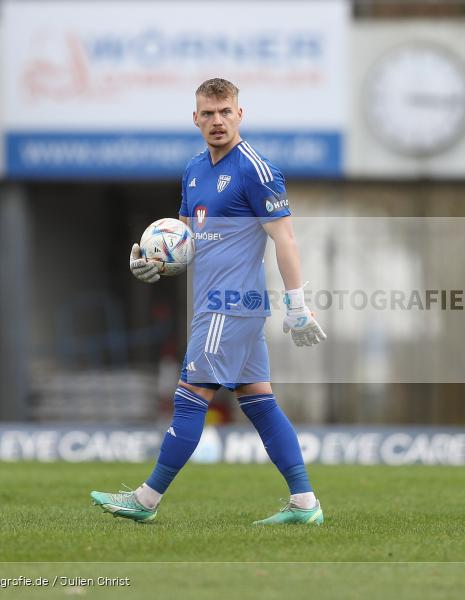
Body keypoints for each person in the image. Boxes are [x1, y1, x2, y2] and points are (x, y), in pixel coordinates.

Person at [91, 78, 327, 525]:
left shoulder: (256, 169)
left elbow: (285, 238)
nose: (217, 121)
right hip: (217, 306)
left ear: (240, 114)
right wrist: (151, 263)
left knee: (190, 396)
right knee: (259, 402)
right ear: (195, 118)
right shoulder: (194, 170)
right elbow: (185, 243)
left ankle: (145, 499)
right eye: (208, 113)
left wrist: (297, 304)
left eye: (225, 112)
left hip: (228, 305)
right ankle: (304, 503)